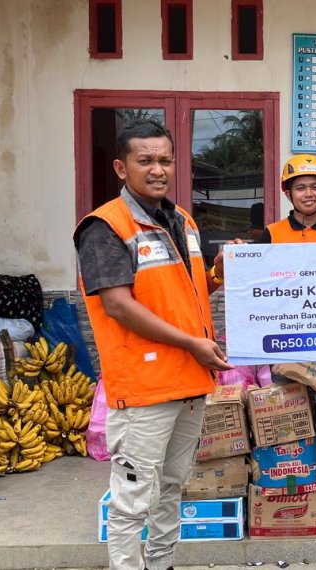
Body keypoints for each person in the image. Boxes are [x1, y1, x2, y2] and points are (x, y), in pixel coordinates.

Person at [73, 119, 234, 570]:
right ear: (121, 168)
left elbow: (187, 291)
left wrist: (218, 273)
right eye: (145, 160)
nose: (158, 169)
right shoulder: (105, 226)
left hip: (189, 381)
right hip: (145, 388)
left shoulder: (182, 220)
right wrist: (192, 343)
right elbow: (118, 305)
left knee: (172, 487)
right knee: (132, 500)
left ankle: (161, 564)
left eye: (165, 160)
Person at [258, 154, 316, 243]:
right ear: (288, 195)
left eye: (315, 187)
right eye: (300, 188)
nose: (309, 194)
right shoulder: (272, 234)